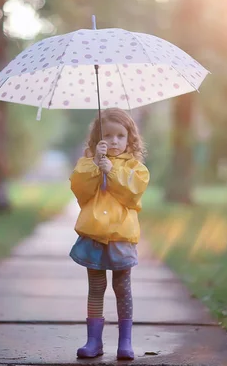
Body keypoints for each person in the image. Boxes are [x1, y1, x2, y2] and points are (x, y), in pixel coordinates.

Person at [69, 108, 150, 360]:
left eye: (121, 136)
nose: (114, 141)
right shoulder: (87, 163)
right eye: (108, 136)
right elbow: (80, 190)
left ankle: (124, 342)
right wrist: (96, 167)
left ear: (130, 139)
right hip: (94, 235)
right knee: (96, 287)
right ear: (97, 140)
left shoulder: (136, 168)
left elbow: (132, 194)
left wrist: (112, 172)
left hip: (120, 237)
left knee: (122, 287)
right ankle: (94, 341)